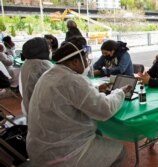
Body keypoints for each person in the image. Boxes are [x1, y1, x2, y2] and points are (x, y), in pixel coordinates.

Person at [27, 36, 131, 167]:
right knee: (120, 152)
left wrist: (96, 89)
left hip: (40, 147)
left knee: (98, 133)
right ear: (75, 62)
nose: (87, 63)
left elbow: (70, 95)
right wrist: (120, 92)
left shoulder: (49, 74)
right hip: (62, 153)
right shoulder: (73, 80)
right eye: (85, 59)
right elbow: (105, 109)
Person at [19, 37, 53, 116]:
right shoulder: (42, 65)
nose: (50, 50)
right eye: (48, 48)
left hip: (30, 106)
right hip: (42, 111)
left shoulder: (28, 62)